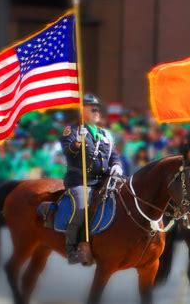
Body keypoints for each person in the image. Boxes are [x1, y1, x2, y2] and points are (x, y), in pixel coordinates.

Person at [60, 93, 123, 265]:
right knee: (81, 207)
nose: (97, 112)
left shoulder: (105, 134)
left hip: (102, 180)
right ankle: (72, 249)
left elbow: (114, 156)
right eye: (92, 108)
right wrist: (77, 143)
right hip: (80, 180)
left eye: (98, 109)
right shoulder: (71, 130)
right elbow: (68, 151)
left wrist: (116, 166)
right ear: (82, 110)